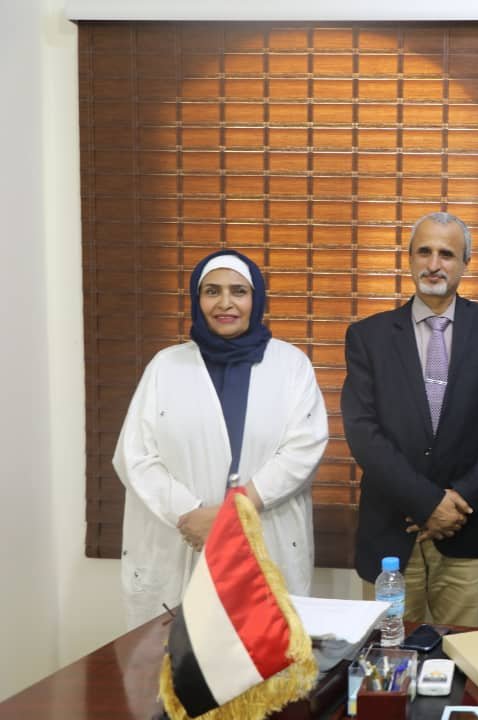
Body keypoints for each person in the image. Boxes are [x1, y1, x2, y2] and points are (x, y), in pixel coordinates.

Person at [114, 249, 329, 628]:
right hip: (186, 535)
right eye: (212, 291)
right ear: (197, 300)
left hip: (264, 532)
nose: (225, 303)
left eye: (238, 291)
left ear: (256, 299)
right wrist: (192, 514)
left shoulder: (291, 365)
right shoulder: (165, 365)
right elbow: (135, 457)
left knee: (264, 651)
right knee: (175, 654)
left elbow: (302, 450)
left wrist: (231, 514)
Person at [341, 212, 478, 627]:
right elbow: (363, 433)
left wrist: (458, 502)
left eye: (447, 254)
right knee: (387, 654)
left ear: (465, 263)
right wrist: (428, 504)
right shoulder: (368, 337)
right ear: (409, 259)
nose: (434, 264)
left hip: (467, 531)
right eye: (424, 252)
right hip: (391, 536)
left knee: (464, 654)